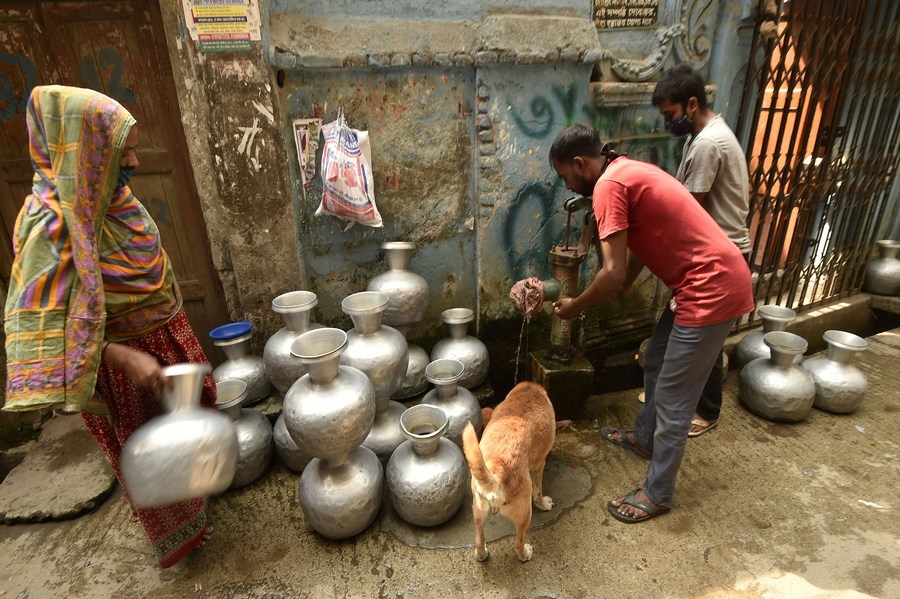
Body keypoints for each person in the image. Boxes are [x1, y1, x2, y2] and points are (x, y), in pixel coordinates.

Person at [3, 85, 215, 568]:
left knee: (188, 436)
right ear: (88, 151)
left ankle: (198, 513)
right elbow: (44, 332)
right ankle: (179, 541)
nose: (136, 163)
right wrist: (119, 355)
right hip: (122, 368)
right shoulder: (49, 226)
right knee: (150, 453)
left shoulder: (113, 200)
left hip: (164, 339)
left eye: (135, 148)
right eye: (125, 150)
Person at [549, 124, 754, 523]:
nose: (568, 186)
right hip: (703, 282)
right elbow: (640, 244)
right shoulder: (627, 170)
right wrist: (628, 282)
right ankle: (645, 439)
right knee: (656, 357)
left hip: (710, 289)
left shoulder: (608, 187)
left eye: (566, 177)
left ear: (579, 164)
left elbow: (609, 272)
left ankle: (657, 493)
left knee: (676, 400)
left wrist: (576, 305)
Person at [651, 64, 752, 438]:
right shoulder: (706, 135)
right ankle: (699, 406)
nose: (667, 123)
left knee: (697, 336)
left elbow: (687, 209)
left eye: (670, 115)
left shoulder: (709, 143)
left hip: (719, 258)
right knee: (703, 337)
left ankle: (706, 411)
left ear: (691, 104)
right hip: (723, 251)